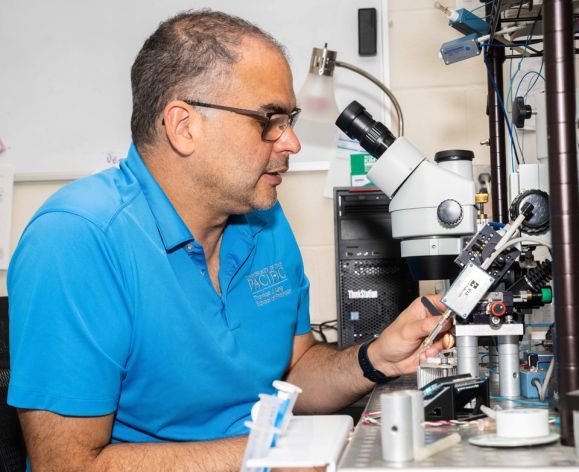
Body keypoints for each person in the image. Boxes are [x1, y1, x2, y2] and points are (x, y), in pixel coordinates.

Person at [7, 10, 451, 472]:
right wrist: (262, 458)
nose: (292, 143)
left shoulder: (263, 219)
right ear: (184, 127)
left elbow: (292, 372)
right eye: (270, 120)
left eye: (289, 119)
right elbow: (67, 464)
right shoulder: (76, 239)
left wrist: (374, 359)